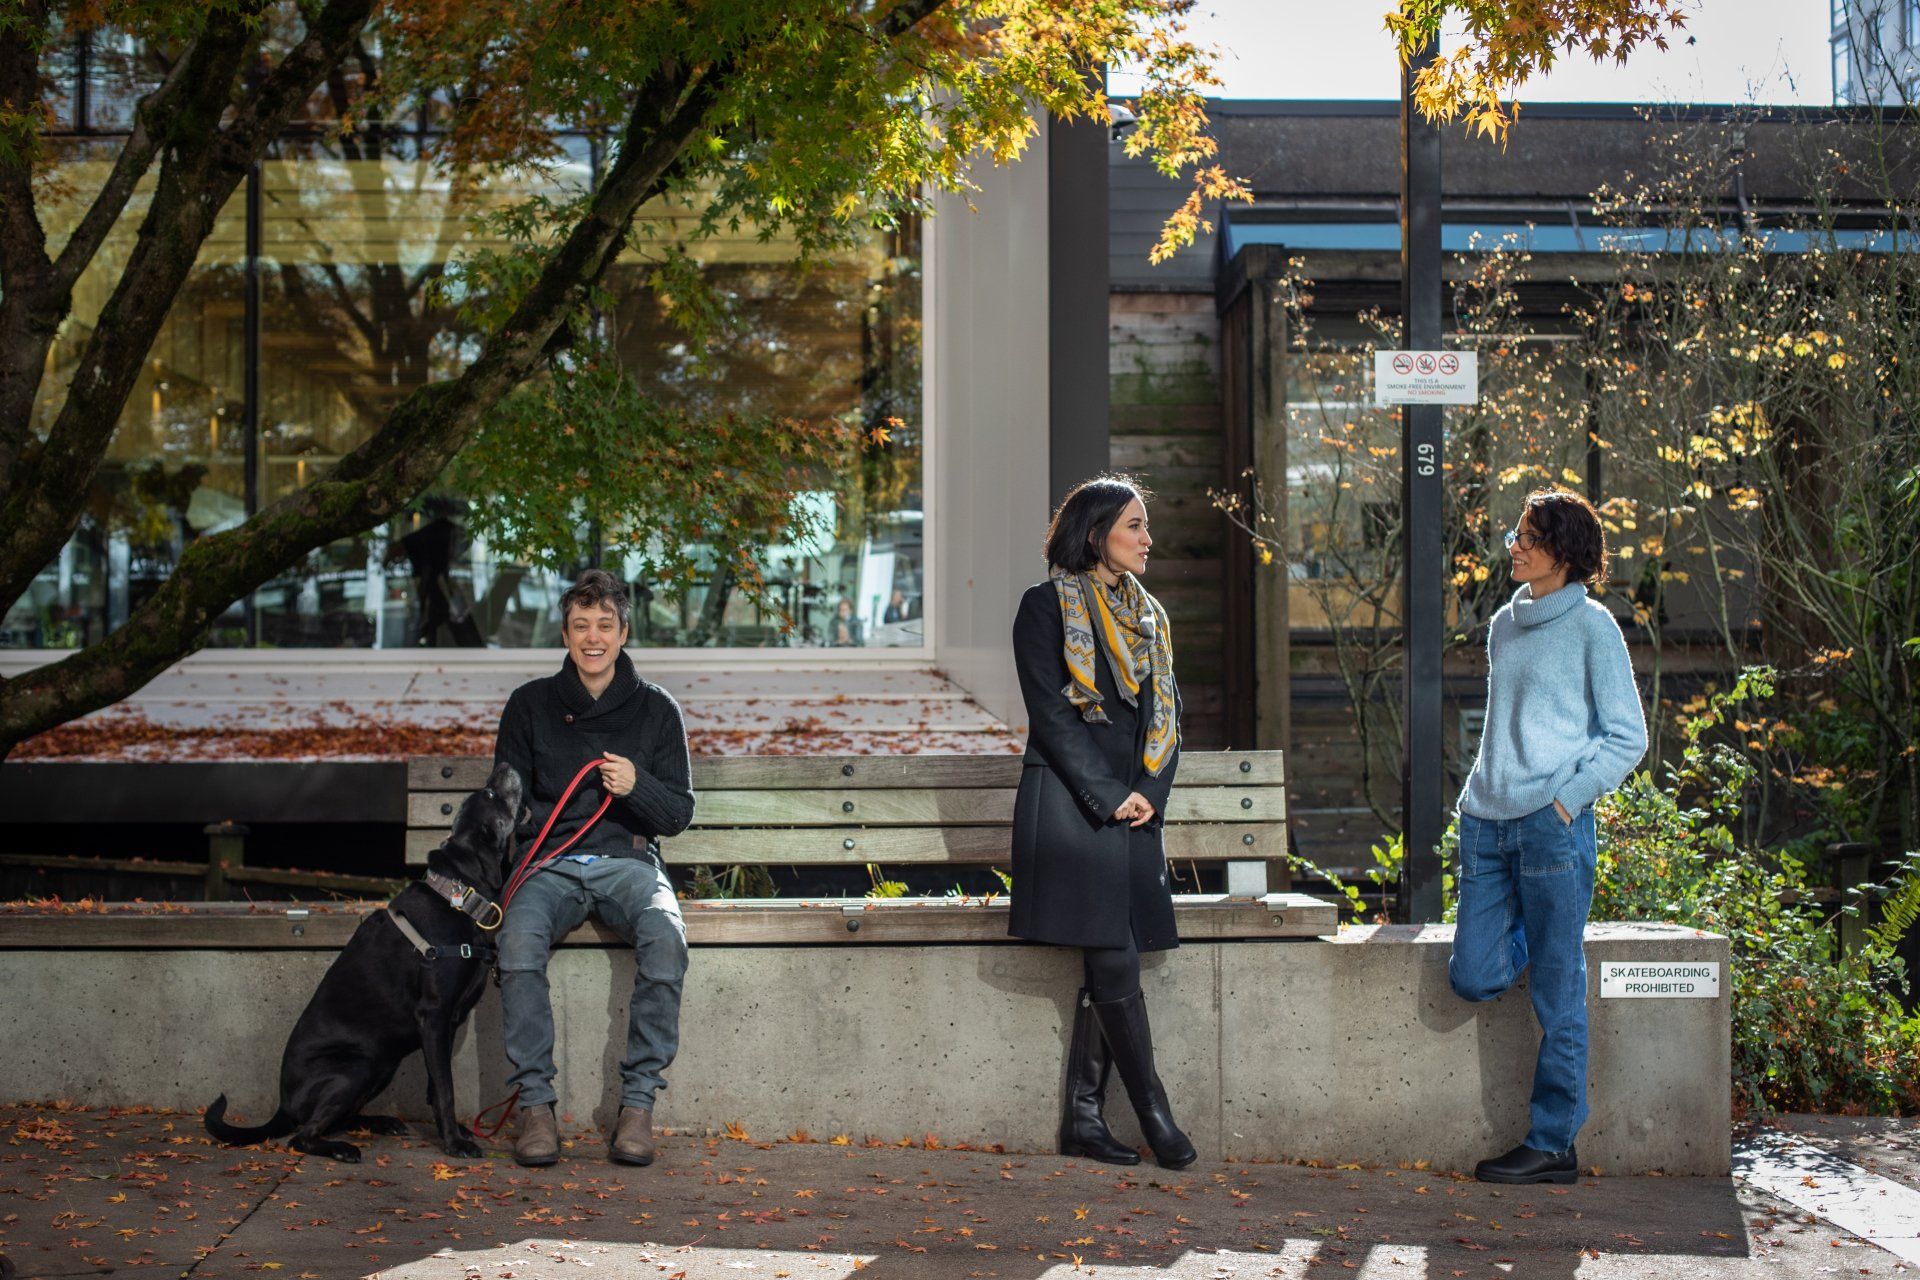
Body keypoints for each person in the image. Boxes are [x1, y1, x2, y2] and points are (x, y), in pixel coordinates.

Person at [1450, 490, 1647, 1185]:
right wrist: (1475, 804)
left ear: (1562, 552)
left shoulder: (1594, 628)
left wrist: (1566, 802)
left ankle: (1553, 1142)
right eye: (1516, 533)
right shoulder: (1505, 623)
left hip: (1550, 827)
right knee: (1472, 975)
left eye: (1528, 536)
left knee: (1558, 992)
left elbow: (1629, 737)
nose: (1514, 544)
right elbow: (1505, 728)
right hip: (1486, 823)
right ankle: (1549, 930)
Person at [1008, 475, 1194, 1171]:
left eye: (1146, 527)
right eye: (1134, 527)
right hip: (1072, 804)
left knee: (1109, 953)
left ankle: (1085, 1118)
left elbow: (1167, 717)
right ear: (1095, 535)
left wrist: (1148, 790)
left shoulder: (1150, 616)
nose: (1148, 540)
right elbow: (1051, 715)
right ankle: (1154, 1114)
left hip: (1135, 808)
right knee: (1113, 947)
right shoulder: (1043, 607)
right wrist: (1110, 795)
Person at [494, 570, 696, 1168]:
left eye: (604, 625)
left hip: (628, 859)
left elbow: (679, 813)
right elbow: (504, 801)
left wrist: (638, 786)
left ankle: (638, 1108)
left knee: (666, 936)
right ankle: (535, 1108)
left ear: (624, 632)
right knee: (518, 939)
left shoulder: (658, 709)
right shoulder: (529, 704)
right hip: (550, 864)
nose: (593, 637)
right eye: (581, 625)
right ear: (564, 633)